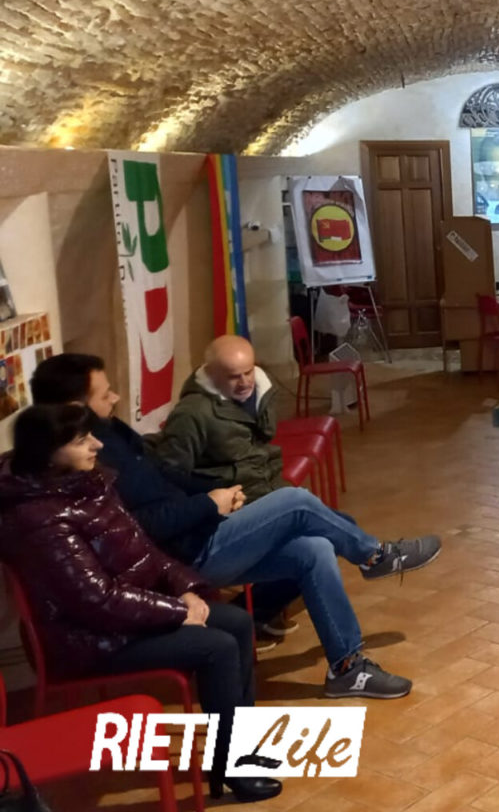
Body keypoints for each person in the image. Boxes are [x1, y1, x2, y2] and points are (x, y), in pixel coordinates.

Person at [30, 353, 439, 699]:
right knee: (296, 501)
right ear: (75, 406)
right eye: (105, 394)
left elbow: (165, 477)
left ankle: (347, 668)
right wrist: (209, 504)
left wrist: (217, 491)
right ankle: (375, 556)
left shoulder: (108, 433)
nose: (116, 398)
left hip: (202, 533)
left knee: (314, 549)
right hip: (186, 557)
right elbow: (143, 529)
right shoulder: (89, 465)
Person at [0, 404, 279, 803]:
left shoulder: (88, 484)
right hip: (87, 641)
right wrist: (178, 612)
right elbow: (97, 600)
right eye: (82, 440)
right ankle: (231, 766)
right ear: (48, 453)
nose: (97, 444)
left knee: (236, 622)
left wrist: (185, 590)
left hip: (123, 619)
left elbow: (146, 552)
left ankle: (238, 749)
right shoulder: (38, 519)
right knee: (215, 647)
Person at [150, 335, 299, 499]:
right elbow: (170, 475)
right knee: (303, 504)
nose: (245, 382)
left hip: (267, 483)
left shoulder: (262, 389)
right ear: (211, 374)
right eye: (233, 377)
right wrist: (214, 499)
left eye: (248, 372)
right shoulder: (192, 413)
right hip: (237, 499)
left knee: (305, 503)